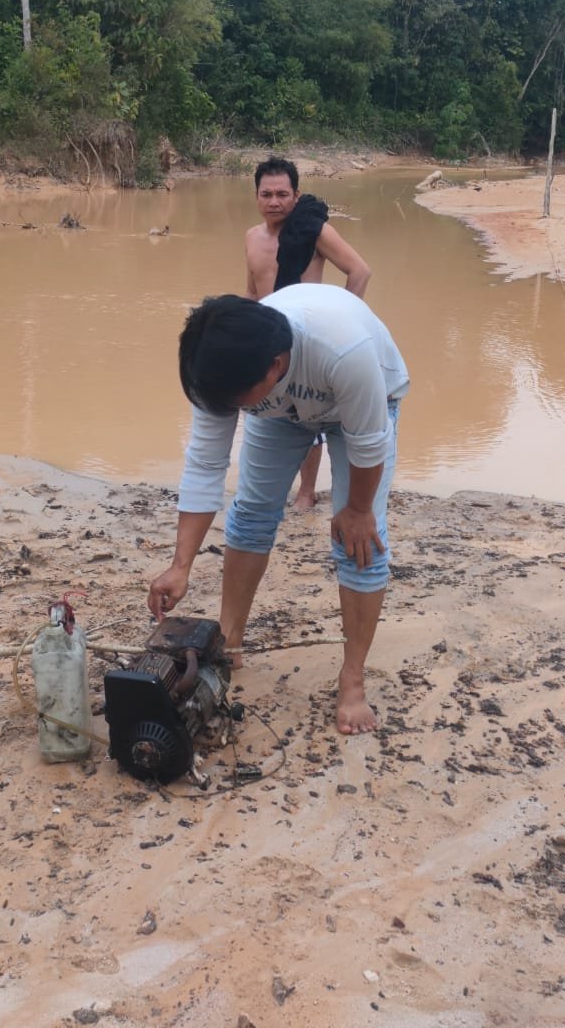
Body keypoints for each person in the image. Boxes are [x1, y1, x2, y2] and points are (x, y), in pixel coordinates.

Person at [147, 285, 409, 734]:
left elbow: (369, 442)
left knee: (361, 542)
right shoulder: (219, 372)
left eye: (236, 403)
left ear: (274, 366)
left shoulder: (344, 351)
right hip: (279, 414)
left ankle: (352, 679)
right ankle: (229, 643)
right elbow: (206, 465)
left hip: (364, 402)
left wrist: (359, 509)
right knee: (250, 514)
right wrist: (180, 565)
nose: (228, 412)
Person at [243, 157, 371, 512]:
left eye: (282, 194)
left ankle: (307, 490)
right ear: (256, 197)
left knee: (307, 413)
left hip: (308, 339)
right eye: (266, 194)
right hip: (267, 337)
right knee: (271, 411)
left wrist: (342, 320)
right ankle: (268, 488)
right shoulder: (252, 237)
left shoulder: (314, 232)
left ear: (296, 196)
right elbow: (252, 291)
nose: (274, 202)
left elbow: (360, 271)